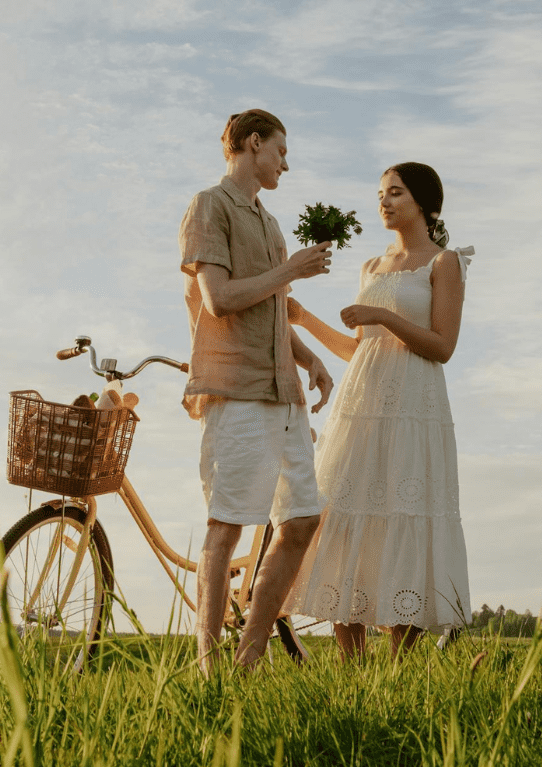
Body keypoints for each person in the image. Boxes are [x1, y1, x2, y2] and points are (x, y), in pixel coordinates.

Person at [285, 162, 474, 660]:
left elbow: (442, 345)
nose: (384, 202)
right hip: (363, 402)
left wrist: (383, 316)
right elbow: (359, 348)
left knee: (401, 515)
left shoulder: (444, 263)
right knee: (345, 517)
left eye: (395, 193)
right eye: (381, 194)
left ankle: (396, 667)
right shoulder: (371, 266)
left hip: (414, 405)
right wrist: (303, 319)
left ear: (424, 204)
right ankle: (351, 664)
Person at [177, 108, 335, 674]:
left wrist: (311, 358)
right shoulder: (208, 206)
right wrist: (290, 272)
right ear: (252, 143)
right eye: (281, 152)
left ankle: (248, 657)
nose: (286, 165)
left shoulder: (270, 224)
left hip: (284, 393)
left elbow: (270, 307)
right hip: (237, 388)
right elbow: (219, 299)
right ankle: (209, 668)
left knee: (301, 521)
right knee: (226, 527)